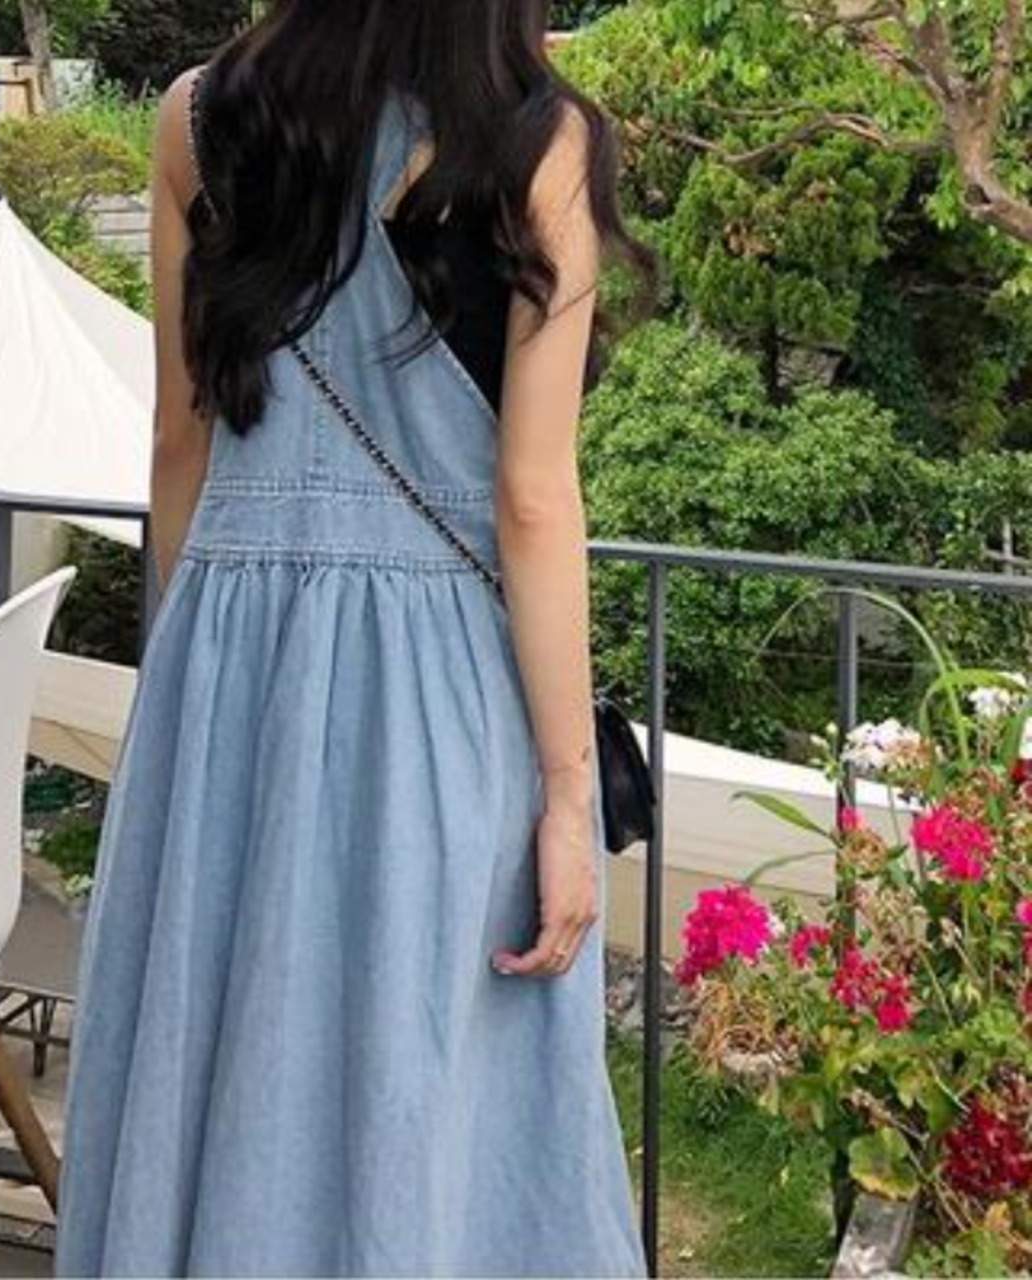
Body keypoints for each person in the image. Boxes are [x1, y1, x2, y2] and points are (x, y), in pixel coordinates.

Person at [56, 2, 656, 1275]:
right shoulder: (534, 139)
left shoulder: (198, 121)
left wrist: (195, 670)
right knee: (415, 1079)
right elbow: (531, 497)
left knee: (213, 1060)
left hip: (223, 661)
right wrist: (566, 792)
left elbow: (177, 440)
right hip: (431, 682)